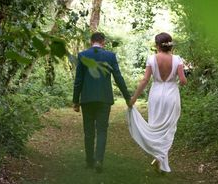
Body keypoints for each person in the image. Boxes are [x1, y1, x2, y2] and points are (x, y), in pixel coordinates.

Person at [127, 32, 187, 173]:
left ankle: (159, 158)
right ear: (170, 44)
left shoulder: (152, 59)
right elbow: (183, 81)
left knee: (155, 126)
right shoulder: (177, 59)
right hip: (171, 95)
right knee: (168, 129)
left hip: (156, 95)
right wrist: (179, 80)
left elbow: (145, 80)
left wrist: (134, 98)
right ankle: (160, 159)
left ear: (157, 45)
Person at [73, 32, 132, 173]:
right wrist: (127, 97)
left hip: (87, 99)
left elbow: (78, 81)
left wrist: (76, 101)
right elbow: (118, 77)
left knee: (88, 131)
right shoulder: (110, 56)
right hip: (104, 99)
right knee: (102, 130)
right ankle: (99, 160)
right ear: (103, 42)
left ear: (91, 41)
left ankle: (89, 161)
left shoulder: (82, 55)